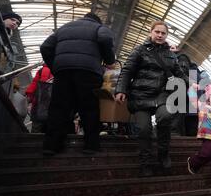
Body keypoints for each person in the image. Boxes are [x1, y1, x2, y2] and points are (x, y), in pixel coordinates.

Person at [115, 21, 188, 177]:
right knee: (144, 129)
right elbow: (127, 70)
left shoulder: (170, 54)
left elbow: (179, 73)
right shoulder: (140, 50)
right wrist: (121, 90)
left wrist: (190, 83)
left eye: (163, 33)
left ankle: (163, 154)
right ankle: (145, 162)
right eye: (157, 32)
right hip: (140, 95)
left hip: (162, 95)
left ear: (166, 35)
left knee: (165, 117)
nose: (160, 35)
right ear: (151, 32)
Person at [40, 12, 116, 155]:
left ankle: (51, 146)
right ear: (97, 21)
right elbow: (105, 39)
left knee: (59, 108)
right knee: (89, 108)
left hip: (63, 72)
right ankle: (91, 146)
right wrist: (109, 60)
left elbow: (45, 47)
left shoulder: (63, 28)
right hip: (89, 72)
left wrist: (55, 65)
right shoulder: (99, 27)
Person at [25, 64, 53, 133]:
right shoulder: (61, 71)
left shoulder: (41, 70)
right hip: (55, 108)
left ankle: (34, 142)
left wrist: (29, 98)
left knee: (36, 130)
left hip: (39, 107)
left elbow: (34, 85)